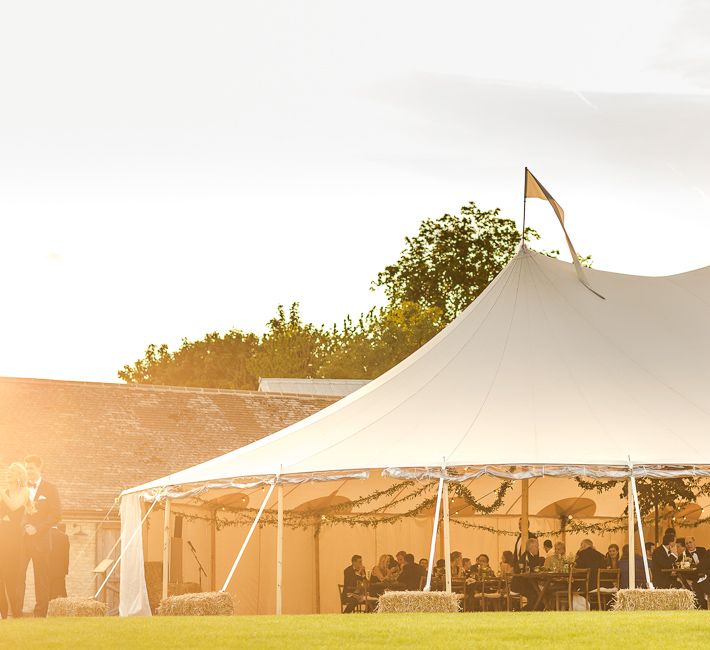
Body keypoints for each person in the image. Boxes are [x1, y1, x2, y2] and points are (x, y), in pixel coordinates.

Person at [19, 455, 61, 618]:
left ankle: (40, 614)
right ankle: (16, 611)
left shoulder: (50, 489)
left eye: (31, 468)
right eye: (26, 468)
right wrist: (24, 526)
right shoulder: (22, 489)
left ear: (39, 468)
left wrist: (37, 529)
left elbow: (56, 514)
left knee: (41, 579)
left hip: (41, 541)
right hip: (22, 540)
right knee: (18, 577)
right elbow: (18, 514)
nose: (28, 471)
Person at [0, 462, 33, 619]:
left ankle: (16, 613)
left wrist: (2, 495)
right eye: (7, 472)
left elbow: (14, 506)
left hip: (14, 540)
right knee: (0, 577)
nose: (8, 474)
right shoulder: (4, 492)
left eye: (11, 472)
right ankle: (3, 614)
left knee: (13, 578)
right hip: (1, 537)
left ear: (19, 475)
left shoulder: (25, 491)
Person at [511, 539, 545, 611]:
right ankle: (520, 612)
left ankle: (526, 612)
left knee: (541, 596)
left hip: (528, 583)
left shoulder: (533, 556)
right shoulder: (526, 556)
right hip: (520, 584)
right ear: (530, 547)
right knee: (537, 596)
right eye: (536, 547)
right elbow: (523, 570)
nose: (538, 548)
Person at [49, 523, 70, 600]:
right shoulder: (64, 537)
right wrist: (65, 570)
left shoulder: (45, 535)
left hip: (45, 570)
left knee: (46, 594)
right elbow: (66, 555)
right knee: (59, 594)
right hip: (59, 571)